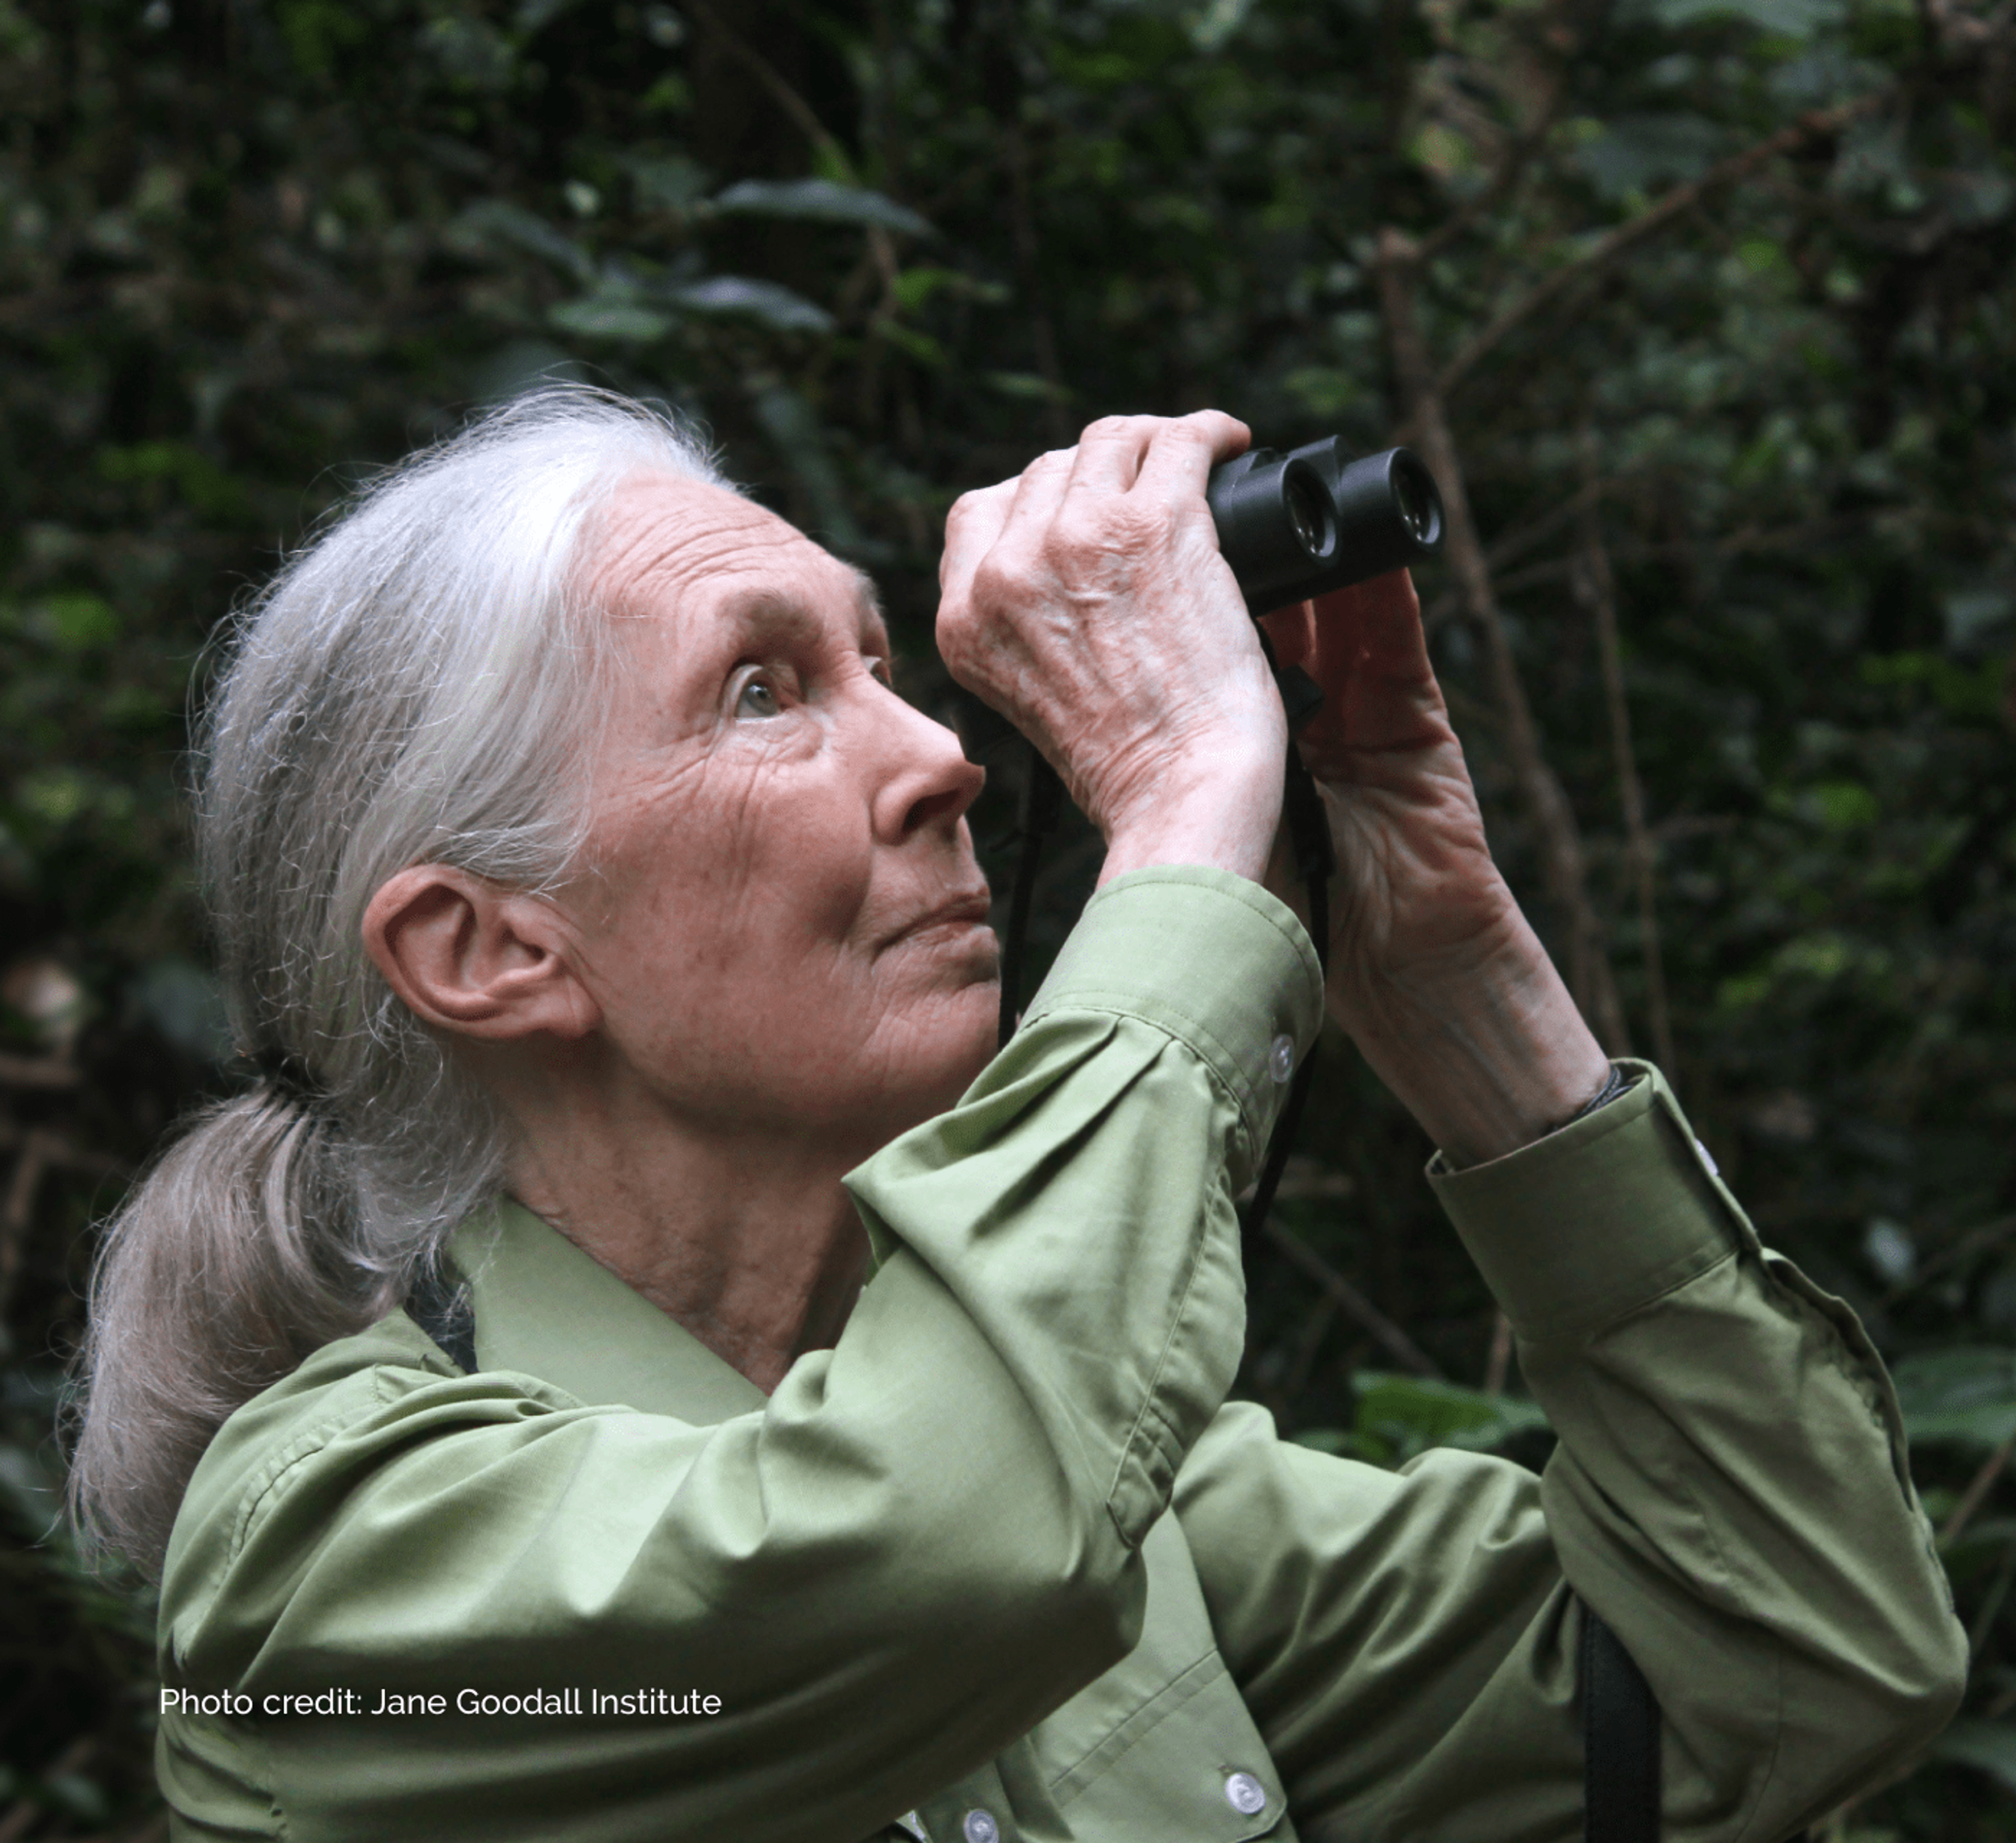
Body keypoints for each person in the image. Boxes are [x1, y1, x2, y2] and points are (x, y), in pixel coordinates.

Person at [68, 388, 1962, 1843]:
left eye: (884, 662)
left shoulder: (1153, 1518)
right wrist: (1186, 810)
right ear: (485, 947)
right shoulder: (317, 1567)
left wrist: (1461, 995)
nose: (948, 757)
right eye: (761, 693)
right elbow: (937, 1539)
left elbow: (1802, 1665)